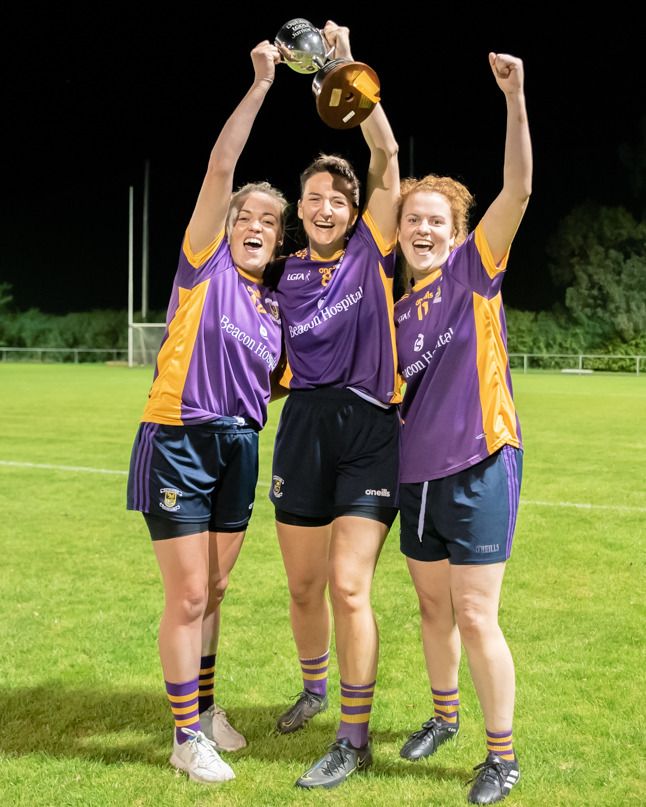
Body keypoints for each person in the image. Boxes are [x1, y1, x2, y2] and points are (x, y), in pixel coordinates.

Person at [126, 41, 286, 784]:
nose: (255, 222)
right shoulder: (205, 265)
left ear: (278, 240)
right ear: (228, 224)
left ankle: (208, 705)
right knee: (188, 592)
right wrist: (259, 87)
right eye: (245, 214)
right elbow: (221, 168)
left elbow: (283, 384)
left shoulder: (273, 310)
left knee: (216, 590)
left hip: (239, 447)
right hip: (181, 438)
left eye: (268, 221)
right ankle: (186, 735)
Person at [265, 21, 401, 790]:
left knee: (351, 585)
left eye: (335, 200)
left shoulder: (368, 252)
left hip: (369, 430)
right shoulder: (280, 274)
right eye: (312, 199)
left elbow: (382, 156)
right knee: (303, 586)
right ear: (301, 210)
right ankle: (314, 685)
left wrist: (343, 68)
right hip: (304, 430)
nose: (323, 208)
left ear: (354, 213)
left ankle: (354, 734)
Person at [393, 53, 532, 805]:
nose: (423, 228)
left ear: (456, 230)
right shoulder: (395, 308)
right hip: (415, 476)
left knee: (478, 613)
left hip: (481, 463)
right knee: (432, 608)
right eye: (414, 219)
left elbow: (519, 188)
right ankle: (444, 717)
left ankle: (501, 754)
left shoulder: (477, 268)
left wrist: (514, 99)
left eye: (435, 220)